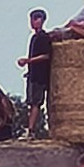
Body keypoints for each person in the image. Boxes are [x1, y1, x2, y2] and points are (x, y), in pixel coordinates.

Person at [17, 9, 52, 140]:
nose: (32, 22)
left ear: (41, 20)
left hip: (39, 76)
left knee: (36, 103)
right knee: (31, 103)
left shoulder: (43, 37)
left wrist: (28, 61)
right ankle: (29, 128)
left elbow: (46, 55)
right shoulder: (34, 37)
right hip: (32, 74)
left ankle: (31, 130)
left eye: (35, 19)